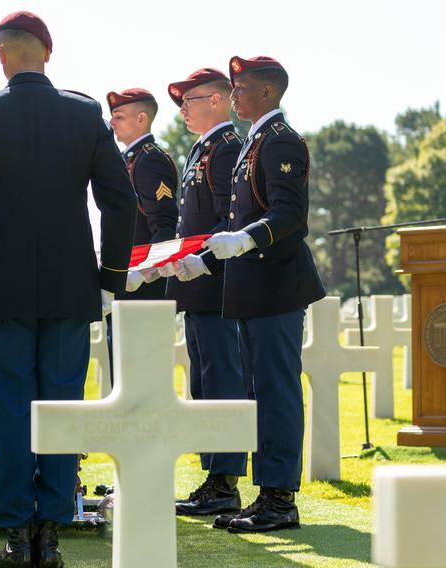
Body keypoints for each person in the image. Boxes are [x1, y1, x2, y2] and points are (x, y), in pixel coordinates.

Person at [0, 11, 136, 568]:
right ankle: (50, 534)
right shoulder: (83, 111)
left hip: (3, 287)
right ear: (47, 54)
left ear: (1, 54)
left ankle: (18, 536)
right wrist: (110, 282)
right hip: (73, 287)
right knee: (61, 407)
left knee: (11, 410)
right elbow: (119, 201)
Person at [201, 56, 325, 533]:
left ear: (268, 92)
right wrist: (208, 259)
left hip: (276, 286)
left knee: (276, 391)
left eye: (242, 87)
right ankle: (265, 492)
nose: (234, 95)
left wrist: (247, 239)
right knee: (259, 392)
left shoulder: (281, 141)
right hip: (253, 288)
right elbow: (235, 219)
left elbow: (290, 214)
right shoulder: (257, 141)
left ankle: (280, 498)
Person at [163, 68, 248, 516]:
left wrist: (205, 261)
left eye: (189, 100)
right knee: (204, 382)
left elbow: (228, 220)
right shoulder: (203, 148)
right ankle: (213, 476)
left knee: (222, 382)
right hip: (196, 289)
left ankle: (225, 482)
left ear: (217, 101)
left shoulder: (228, 148)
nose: (183, 109)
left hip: (216, 286)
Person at [104, 87, 179, 380]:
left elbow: (164, 225)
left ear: (142, 119)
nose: (113, 123)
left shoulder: (149, 160)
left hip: (142, 292)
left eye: (120, 116)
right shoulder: (129, 159)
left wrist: (144, 273)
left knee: (140, 380)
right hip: (126, 287)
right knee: (124, 378)